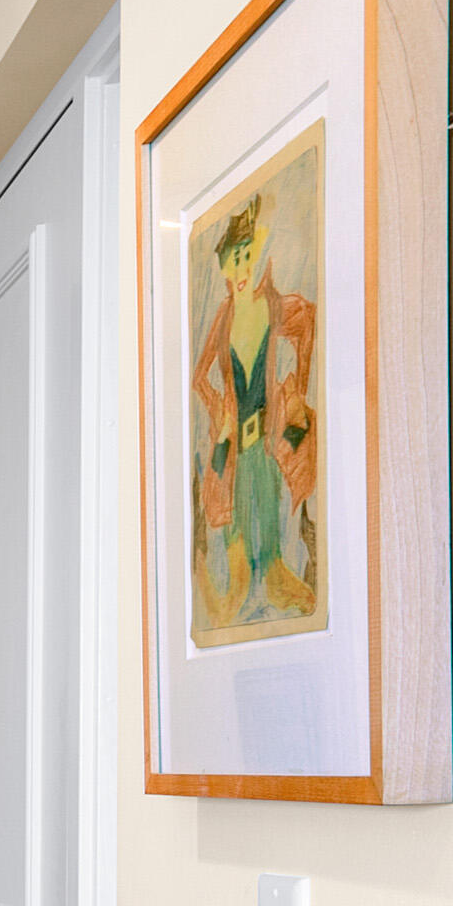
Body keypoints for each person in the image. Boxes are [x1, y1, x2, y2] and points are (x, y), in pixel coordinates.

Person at [190, 193, 320, 630]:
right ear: (225, 267)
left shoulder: (273, 307)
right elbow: (198, 379)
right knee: (239, 577)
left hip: (264, 452)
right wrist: (219, 416)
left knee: (272, 567)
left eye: (247, 257)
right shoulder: (223, 319)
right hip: (234, 454)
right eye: (234, 259)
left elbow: (307, 323)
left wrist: (298, 393)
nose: (242, 268)